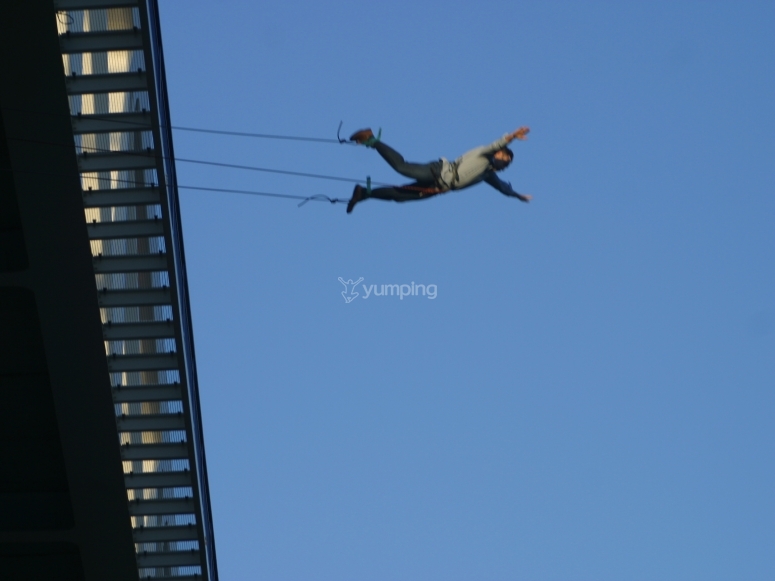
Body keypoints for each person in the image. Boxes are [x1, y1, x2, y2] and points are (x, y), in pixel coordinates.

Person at [346, 126, 532, 213]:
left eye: (507, 162)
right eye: (504, 157)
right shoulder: (484, 154)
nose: (504, 162)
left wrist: (518, 195)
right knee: (402, 167)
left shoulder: (487, 173)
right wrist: (512, 136)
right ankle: (371, 139)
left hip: (437, 187)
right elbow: (496, 144)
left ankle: (363, 193)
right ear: (498, 153)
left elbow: (502, 187)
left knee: (400, 195)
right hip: (437, 171)